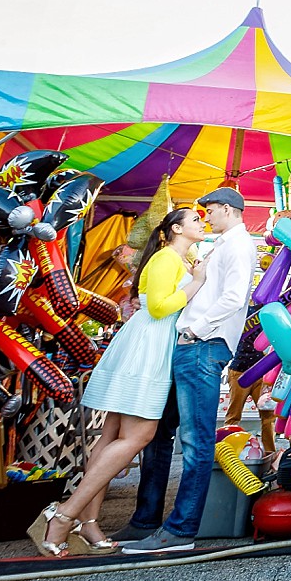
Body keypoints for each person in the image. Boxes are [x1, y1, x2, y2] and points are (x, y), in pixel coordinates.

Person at [32, 207, 209, 557]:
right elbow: (160, 307)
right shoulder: (166, 259)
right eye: (195, 221)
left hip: (143, 345)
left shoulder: (175, 259)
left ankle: (89, 522)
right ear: (176, 229)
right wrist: (197, 283)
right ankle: (63, 515)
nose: (201, 225)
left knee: (111, 435)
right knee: (138, 435)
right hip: (149, 348)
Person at [122, 187, 257, 554]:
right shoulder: (222, 245)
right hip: (192, 345)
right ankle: (145, 520)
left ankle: (181, 529)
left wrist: (196, 329)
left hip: (202, 345)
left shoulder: (237, 245)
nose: (206, 216)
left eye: (210, 210)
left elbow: (232, 297)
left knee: (195, 442)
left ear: (228, 210)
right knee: (159, 432)